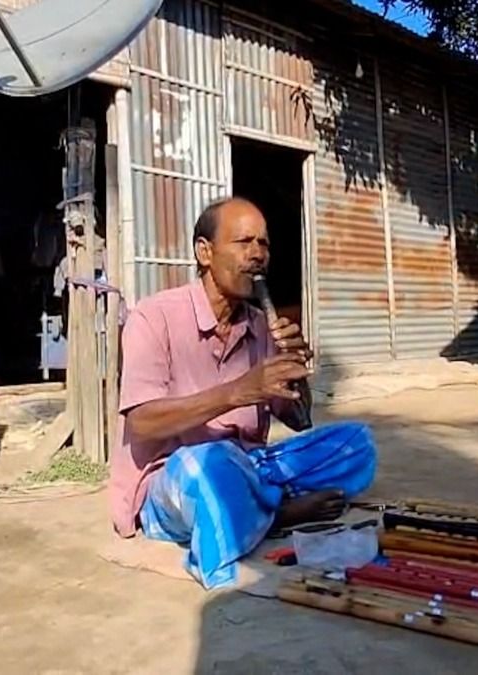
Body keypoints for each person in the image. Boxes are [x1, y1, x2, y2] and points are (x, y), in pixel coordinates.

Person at [108, 196, 378, 589]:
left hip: (250, 464)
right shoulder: (153, 317)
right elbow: (142, 423)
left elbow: (300, 420)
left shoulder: (260, 324)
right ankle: (278, 513)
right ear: (205, 252)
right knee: (208, 466)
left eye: (264, 244)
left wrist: (295, 375)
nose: (258, 254)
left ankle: (252, 504)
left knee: (356, 444)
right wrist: (238, 391)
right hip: (174, 478)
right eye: (244, 242)